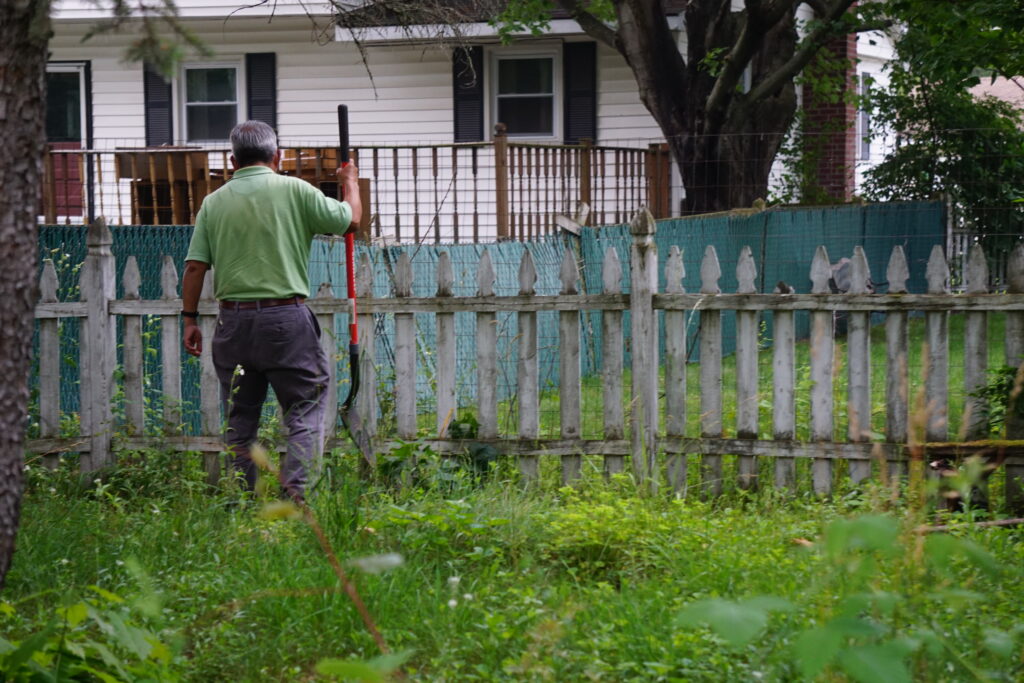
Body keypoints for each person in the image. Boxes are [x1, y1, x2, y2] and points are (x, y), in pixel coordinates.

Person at [180, 120, 362, 502]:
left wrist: (190, 319)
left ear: (233, 161)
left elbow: (195, 267)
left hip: (233, 325)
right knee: (304, 409)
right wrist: (351, 183)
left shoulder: (214, 203)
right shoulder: (295, 190)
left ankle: (245, 500)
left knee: (241, 417)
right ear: (276, 156)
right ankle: (294, 499)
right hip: (286, 321)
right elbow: (351, 220)